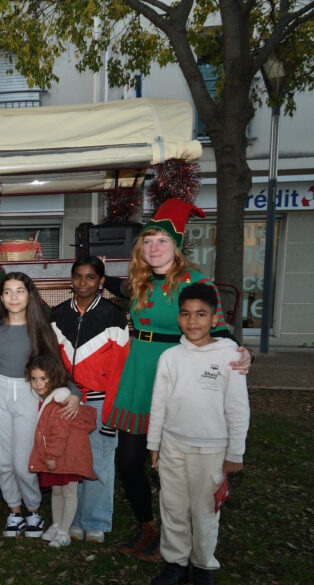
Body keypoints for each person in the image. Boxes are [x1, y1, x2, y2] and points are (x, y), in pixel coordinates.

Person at [105, 199, 250, 562]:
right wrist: (95, 271)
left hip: (179, 373)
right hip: (139, 374)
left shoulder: (196, 282)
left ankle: (177, 538)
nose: (154, 248)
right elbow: (115, 286)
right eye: (148, 241)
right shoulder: (137, 280)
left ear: (177, 246)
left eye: (162, 242)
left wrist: (245, 354)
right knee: (128, 461)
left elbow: (220, 331)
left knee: (170, 465)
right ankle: (148, 526)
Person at [147, 283, 249, 585]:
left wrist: (236, 453)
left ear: (215, 317)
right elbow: (159, 403)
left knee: (205, 511)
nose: (193, 322)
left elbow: (237, 408)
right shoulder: (170, 357)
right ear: (178, 318)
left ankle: (204, 565)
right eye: (186, 315)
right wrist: (154, 445)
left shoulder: (230, 356)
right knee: (173, 507)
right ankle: (176, 563)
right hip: (173, 446)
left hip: (212, 451)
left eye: (201, 314)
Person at [0, 272, 80, 539]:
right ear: (1, 297)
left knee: (24, 463)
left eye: (20, 291)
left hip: (28, 394)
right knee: (3, 462)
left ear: (29, 295)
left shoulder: (41, 329)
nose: (14, 297)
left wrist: (74, 392)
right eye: (8, 292)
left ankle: (33, 510)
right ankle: (14, 512)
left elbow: (56, 365)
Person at [50, 256, 130, 544]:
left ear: (101, 282)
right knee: (73, 462)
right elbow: (53, 361)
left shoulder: (114, 316)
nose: (83, 283)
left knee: (100, 462)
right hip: (70, 400)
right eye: (78, 277)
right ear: (71, 279)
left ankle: (95, 521)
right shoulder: (58, 314)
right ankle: (73, 519)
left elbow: (120, 368)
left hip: (100, 401)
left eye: (90, 277)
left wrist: (112, 413)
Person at [26, 355, 98, 549]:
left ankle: (65, 532)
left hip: (68, 454)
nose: (38, 384)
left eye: (43, 378)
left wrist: (51, 456)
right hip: (61, 454)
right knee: (57, 490)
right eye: (34, 379)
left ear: (54, 378)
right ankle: (57, 526)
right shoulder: (49, 397)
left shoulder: (59, 399)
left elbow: (60, 432)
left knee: (69, 491)